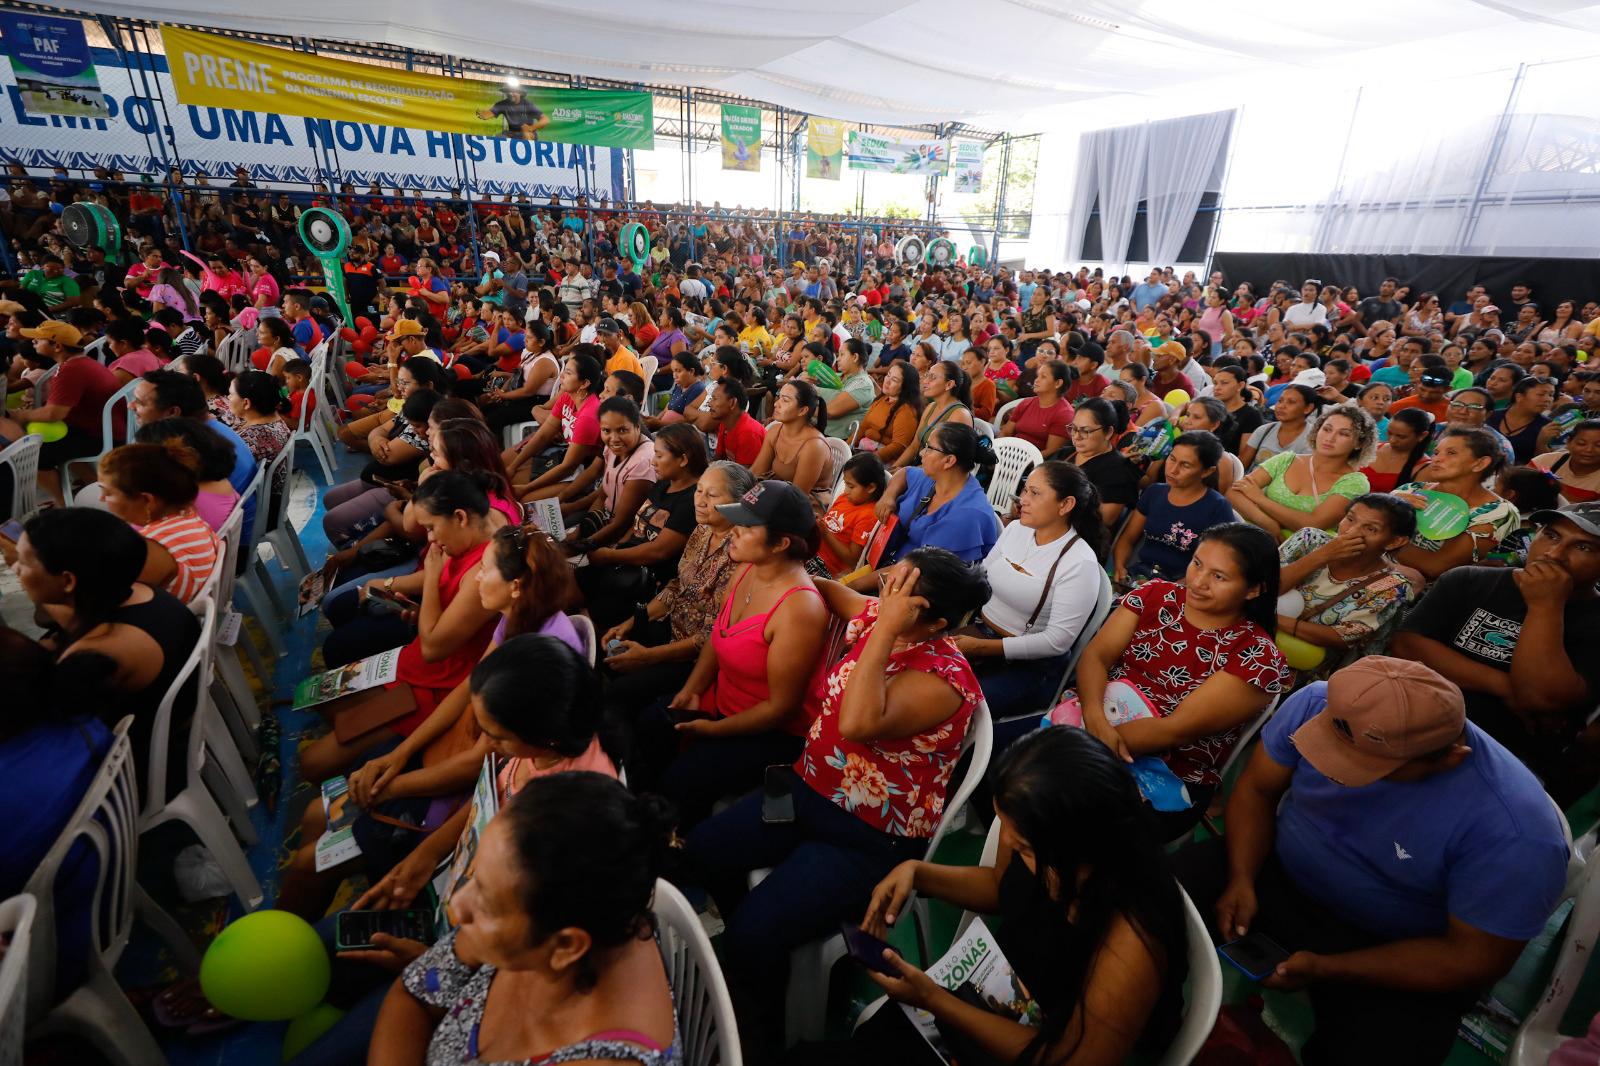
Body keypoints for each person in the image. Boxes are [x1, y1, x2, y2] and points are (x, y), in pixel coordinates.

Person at [1173, 658, 1568, 1066]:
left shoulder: (1517, 833)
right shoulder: (1317, 704)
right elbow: (1256, 789)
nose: (1335, 775)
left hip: (1397, 950)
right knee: (1147, 900)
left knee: (1387, 1050)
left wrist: (1330, 968)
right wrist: (1241, 877)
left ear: (1450, 757)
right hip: (1276, 875)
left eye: (1364, 768)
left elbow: (1471, 959)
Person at [682, 549, 988, 1053]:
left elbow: (857, 722)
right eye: (888, 581)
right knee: (704, 848)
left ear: (930, 620)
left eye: (895, 589)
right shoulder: (883, 617)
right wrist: (795, 579)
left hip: (867, 833)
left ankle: (762, 1036)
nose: (882, 589)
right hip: (811, 789)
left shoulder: (945, 679)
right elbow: (837, 595)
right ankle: (770, 932)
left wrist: (885, 628)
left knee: (751, 939)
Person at [801, 726, 1189, 1066]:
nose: (1005, 842)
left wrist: (936, 1001)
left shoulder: (1133, 932)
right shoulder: (1051, 846)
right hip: (1002, 997)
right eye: (1003, 825)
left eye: (1022, 846)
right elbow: (1003, 887)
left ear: (1078, 844)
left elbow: (1074, 1058)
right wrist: (917, 874)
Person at [276, 529, 587, 923]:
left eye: (485, 570)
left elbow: (479, 767)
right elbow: (467, 688)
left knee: (308, 863)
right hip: (442, 755)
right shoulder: (517, 617)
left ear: (516, 585)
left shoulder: (537, 664)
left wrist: (389, 786)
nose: (476, 577)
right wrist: (398, 755)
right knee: (313, 819)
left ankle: (301, 927)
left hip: (462, 795)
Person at [368, 774, 674, 1066]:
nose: (458, 906)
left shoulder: (604, 1056)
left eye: (485, 902)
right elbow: (413, 993)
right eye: (475, 878)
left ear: (567, 946)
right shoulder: (563, 915)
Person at [1073, 523, 1288, 839]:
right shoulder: (1154, 596)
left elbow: (1172, 729)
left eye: (1219, 577)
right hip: (1090, 721)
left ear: (1254, 589)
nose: (1198, 582)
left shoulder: (1256, 659)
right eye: (1198, 563)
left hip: (1171, 771)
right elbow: (1096, 657)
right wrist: (1092, 716)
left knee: (1072, 821)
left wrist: (1082, 746)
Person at [637, 480, 830, 828]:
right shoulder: (746, 568)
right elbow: (717, 636)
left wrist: (715, 731)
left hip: (770, 732)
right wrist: (692, 690)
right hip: (721, 701)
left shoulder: (799, 609)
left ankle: (677, 848)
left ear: (781, 543)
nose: (733, 534)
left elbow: (780, 709)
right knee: (651, 725)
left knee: (680, 781)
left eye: (745, 527)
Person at [308, 470, 508, 780]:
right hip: (417, 663)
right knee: (322, 704)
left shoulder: (483, 570)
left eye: (431, 528)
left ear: (460, 517)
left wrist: (430, 580)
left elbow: (432, 649)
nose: (430, 538)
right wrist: (420, 609)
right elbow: (441, 618)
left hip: (440, 685)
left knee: (313, 762)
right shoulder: (462, 543)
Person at [1393, 501, 1600, 800]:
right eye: (1551, 535)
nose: (1554, 554)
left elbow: (1542, 699)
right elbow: (1407, 644)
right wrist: (1503, 685)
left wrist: (1545, 605)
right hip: (1409, 728)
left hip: (1503, 767)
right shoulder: (1469, 579)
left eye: (1584, 548)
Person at [12, 508, 200, 785]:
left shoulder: (94, 653)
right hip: (179, 725)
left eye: (23, 562)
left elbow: (51, 733)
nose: (14, 568)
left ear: (67, 581)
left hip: (138, 773)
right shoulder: (141, 591)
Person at [953, 462, 1107, 727]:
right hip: (981, 635)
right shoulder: (1016, 530)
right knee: (916, 666)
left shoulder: (1079, 563)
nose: (1022, 500)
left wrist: (981, 647)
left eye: (1035, 493)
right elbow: (981, 578)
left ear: (1065, 505)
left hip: (1030, 666)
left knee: (951, 701)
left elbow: (1056, 641)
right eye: (1025, 490)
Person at [600, 461, 753, 718]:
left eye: (712, 494)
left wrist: (649, 656)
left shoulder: (741, 551)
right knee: (607, 651)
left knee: (620, 693)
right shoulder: (702, 530)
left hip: (695, 659)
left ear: (738, 503)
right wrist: (632, 622)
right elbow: (678, 586)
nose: (700, 500)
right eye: (699, 490)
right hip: (671, 630)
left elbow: (711, 635)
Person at [575, 420, 706, 633]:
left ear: (683, 459)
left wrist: (610, 556)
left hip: (645, 580)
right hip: (624, 559)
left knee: (593, 603)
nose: (653, 462)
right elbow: (637, 524)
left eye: (660, 456)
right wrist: (619, 547)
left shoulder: (691, 501)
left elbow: (658, 551)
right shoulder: (664, 483)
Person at [1276, 493, 1419, 680]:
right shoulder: (1309, 540)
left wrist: (1271, 618)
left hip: (1303, 672)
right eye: (1350, 519)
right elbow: (1263, 587)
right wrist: (1321, 556)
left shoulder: (1391, 586)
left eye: (1371, 529)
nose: (1351, 532)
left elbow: (1343, 637)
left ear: (1395, 541)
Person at [0, 320, 122, 503]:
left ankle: (62, 503)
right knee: (57, 444)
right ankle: (92, 483)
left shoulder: (71, 371)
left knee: (36, 457)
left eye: (37, 341)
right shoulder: (82, 363)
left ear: (57, 346)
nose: (33, 344)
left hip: (99, 435)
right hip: (104, 428)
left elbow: (53, 414)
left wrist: (19, 415)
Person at [96, 439, 222, 605]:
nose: (101, 498)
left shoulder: (151, 549)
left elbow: (102, 603)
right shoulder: (188, 518)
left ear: (147, 500)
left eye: (107, 492)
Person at [1392, 427, 1520, 581]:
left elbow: (1434, 566)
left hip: (1421, 593)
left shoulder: (1498, 512)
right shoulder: (1409, 490)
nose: (1437, 459)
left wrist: (1383, 540)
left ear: (1480, 463)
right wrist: (1389, 504)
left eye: (1451, 453)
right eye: (1436, 452)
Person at [869, 423, 1001, 572]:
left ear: (949, 461)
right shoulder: (935, 478)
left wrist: (852, 583)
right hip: (892, 565)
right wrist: (889, 496)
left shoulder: (967, 515)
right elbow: (905, 473)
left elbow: (921, 573)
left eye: (929, 448)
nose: (921, 453)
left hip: (920, 584)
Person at [1230, 406, 1375, 538]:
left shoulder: (1354, 483)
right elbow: (1234, 492)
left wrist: (1259, 499)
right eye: (1327, 429)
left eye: (1343, 434)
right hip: (1251, 536)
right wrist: (1267, 524)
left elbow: (1313, 525)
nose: (1330, 438)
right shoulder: (1286, 460)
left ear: (1359, 443)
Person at [1115, 431, 1236, 584]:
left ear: (1207, 471)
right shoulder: (1154, 492)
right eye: (1172, 459)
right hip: (1140, 576)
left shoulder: (1217, 508)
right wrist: (1120, 566)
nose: (1173, 470)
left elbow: (1214, 565)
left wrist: (1170, 589)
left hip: (1181, 585)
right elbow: (1128, 538)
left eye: (1185, 465)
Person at [751, 379, 835, 513]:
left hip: (807, 507)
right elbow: (756, 472)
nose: (776, 403)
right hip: (781, 495)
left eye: (785, 400)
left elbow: (796, 497)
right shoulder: (775, 431)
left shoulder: (814, 446)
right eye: (779, 397)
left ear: (802, 410)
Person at [1068, 397, 1142, 527]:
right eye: (1073, 428)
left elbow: (1102, 522)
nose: (1076, 436)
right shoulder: (1065, 454)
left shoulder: (1118, 473)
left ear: (1108, 432)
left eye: (1086, 431)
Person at [895, 361, 974, 470]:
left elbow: (944, 462)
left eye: (932, 377)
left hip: (940, 475)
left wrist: (907, 472)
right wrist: (895, 468)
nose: (925, 381)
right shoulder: (931, 407)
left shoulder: (960, 415)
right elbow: (914, 446)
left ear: (949, 384)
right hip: (921, 466)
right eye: (927, 375)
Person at [818, 451, 887, 576]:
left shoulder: (868, 516)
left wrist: (824, 532)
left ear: (871, 488)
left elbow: (851, 558)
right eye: (845, 484)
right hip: (813, 551)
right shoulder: (845, 498)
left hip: (826, 568)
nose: (845, 490)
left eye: (851, 486)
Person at [999, 358, 1073, 456]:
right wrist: (1000, 453)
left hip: (1033, 463)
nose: (1036, 380)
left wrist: (1020, 462)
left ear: (1058, 383)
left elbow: (1051, 452)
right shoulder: (1026, 403)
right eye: (1038, 376)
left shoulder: (1064, 414)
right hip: (1009, 453)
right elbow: (1006, 432)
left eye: (1043, 377)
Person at [1238, 384, 1319, 472]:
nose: (1281, 406)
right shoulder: (1264, 431)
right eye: (1280, 401)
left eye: (1291, 402)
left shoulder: (1314, 439)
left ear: (1308, 408)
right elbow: (1242, 465)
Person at [854, 359, 921, 463]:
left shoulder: (906, 411)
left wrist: (869, 460)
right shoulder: (882, 399)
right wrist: (848, 447)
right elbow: (863, 427)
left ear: (906, 387)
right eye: (888, 375)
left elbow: (899, 446)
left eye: (894, 380)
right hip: (864, 454)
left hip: (881, 462)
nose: (887, 381)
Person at [1359, 406, 1432, 494]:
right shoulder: (1372, 447)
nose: (1392, 440)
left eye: (1401, 436)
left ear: (1422, 436)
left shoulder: (1424, 468)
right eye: (1389, 433)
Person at [815, 337, 876, 439]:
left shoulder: (863, 384)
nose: (838, 359)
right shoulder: (839, 376)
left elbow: (830, 411)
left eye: (842, 354)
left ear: (855, 357)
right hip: (818, 430)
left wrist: (800, 409)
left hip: (833, 439)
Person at [1489, 374, 1556, 465]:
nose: (1547, 399)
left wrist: (1542, 443)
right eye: (1541, 394)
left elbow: (1545, 465)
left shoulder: (1547, 426)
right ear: (1519, 397)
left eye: (1551, 395)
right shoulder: (1491, 416)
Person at [1536, 419, 1600, 505]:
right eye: (1581, 444)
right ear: (1568, 442)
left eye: (1598, 445)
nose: (1589, 450)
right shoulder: (1546, 461)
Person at [708, 377, 766, 465]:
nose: (709, 404)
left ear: (732, 403)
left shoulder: (748, 432)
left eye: (715, 399)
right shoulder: (725, 423)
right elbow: (718, 458)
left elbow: (745, 475)